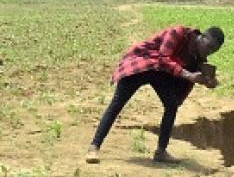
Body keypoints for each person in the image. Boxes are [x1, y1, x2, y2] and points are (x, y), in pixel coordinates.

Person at [86, 26, 224, 165]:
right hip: (143, 64)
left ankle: (161, 152)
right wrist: (188, 75)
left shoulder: (197, 57)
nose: (209, 51)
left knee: (172, 105)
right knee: (117, 104)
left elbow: (190, 72)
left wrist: (208, 81)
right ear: (202, 37)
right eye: (209, 46)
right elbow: (163, 59)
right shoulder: (178, 33)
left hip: (160, 74)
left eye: (213, 50)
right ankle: (94, 146)